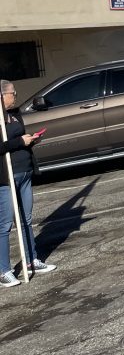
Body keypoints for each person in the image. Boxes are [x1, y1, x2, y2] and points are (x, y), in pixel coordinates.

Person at [1, 79, 57, 287]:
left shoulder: (15, 114)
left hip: (24, 171)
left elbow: (19, 139)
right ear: (2, 96)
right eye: (12, 93)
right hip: (5, 177)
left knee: (26, 218)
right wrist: (19, 142)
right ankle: (4, 271)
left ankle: (32, 259)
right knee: (5, 224)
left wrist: (30, 139)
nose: (15, 96)